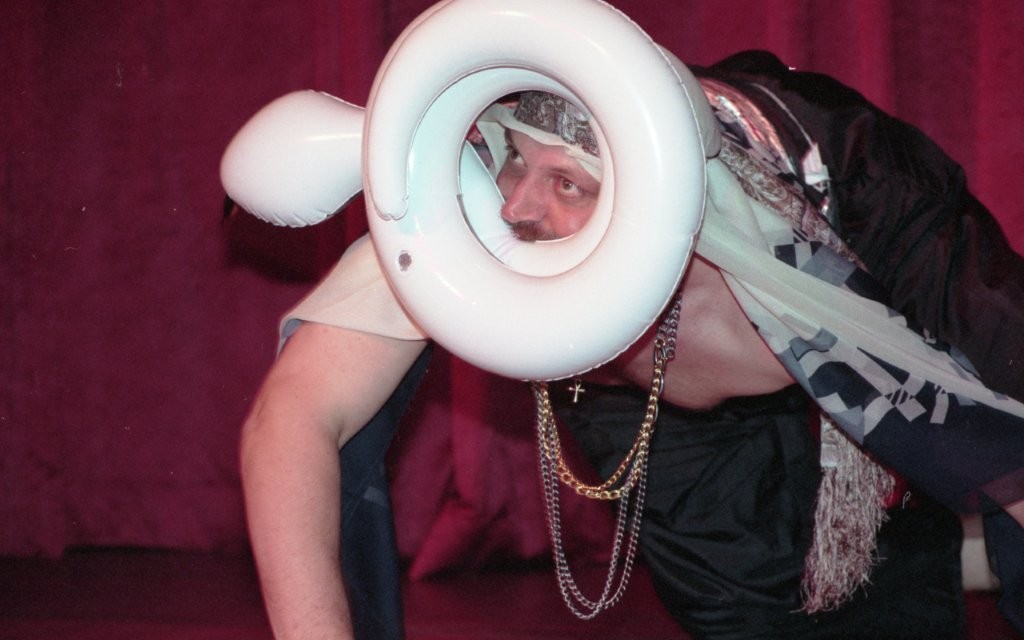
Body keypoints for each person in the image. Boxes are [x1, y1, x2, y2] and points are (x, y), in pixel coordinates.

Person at [238, 50, 1024, 639]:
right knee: (741, 609)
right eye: (517, 160)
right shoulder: (463, 208)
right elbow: (296, 419)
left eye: (567, 185)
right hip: (655, 421)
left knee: (900, 603)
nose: (517, 210)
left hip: (852, 374)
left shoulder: (855, 187)